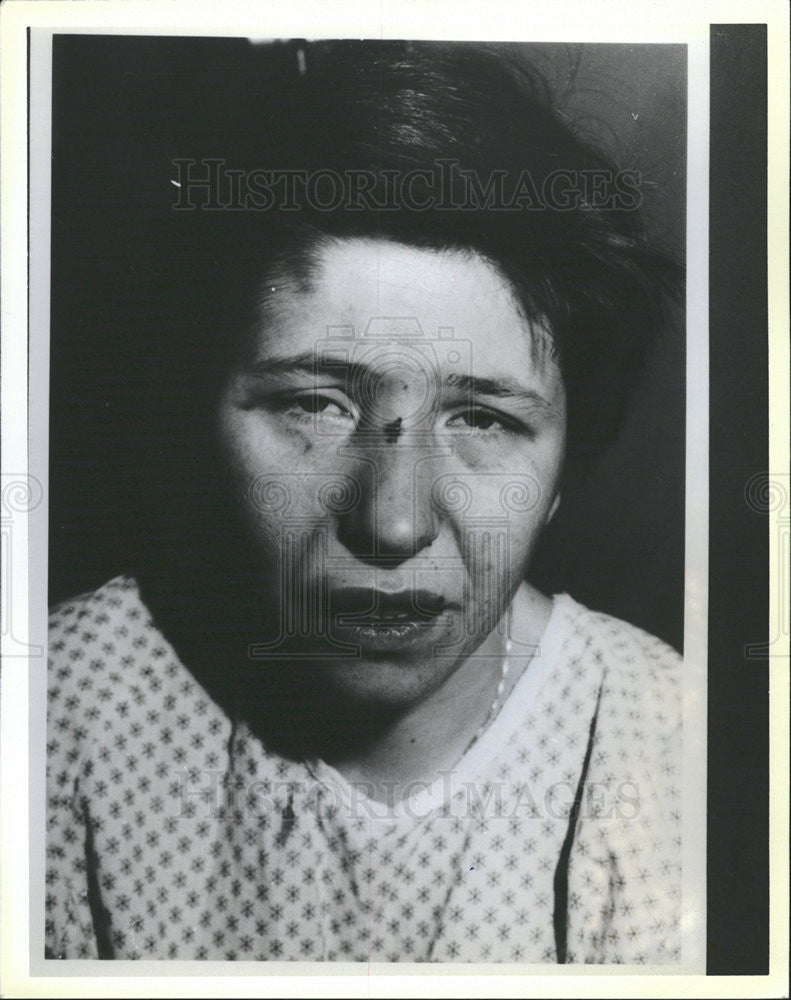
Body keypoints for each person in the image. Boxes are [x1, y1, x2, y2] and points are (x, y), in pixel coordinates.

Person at [46, 40, 683, 963]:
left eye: (483, 419)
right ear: (195, 413)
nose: (392, 522)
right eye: (314, 404)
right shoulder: (56, 716)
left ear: (564, 473)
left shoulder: (675, 757)